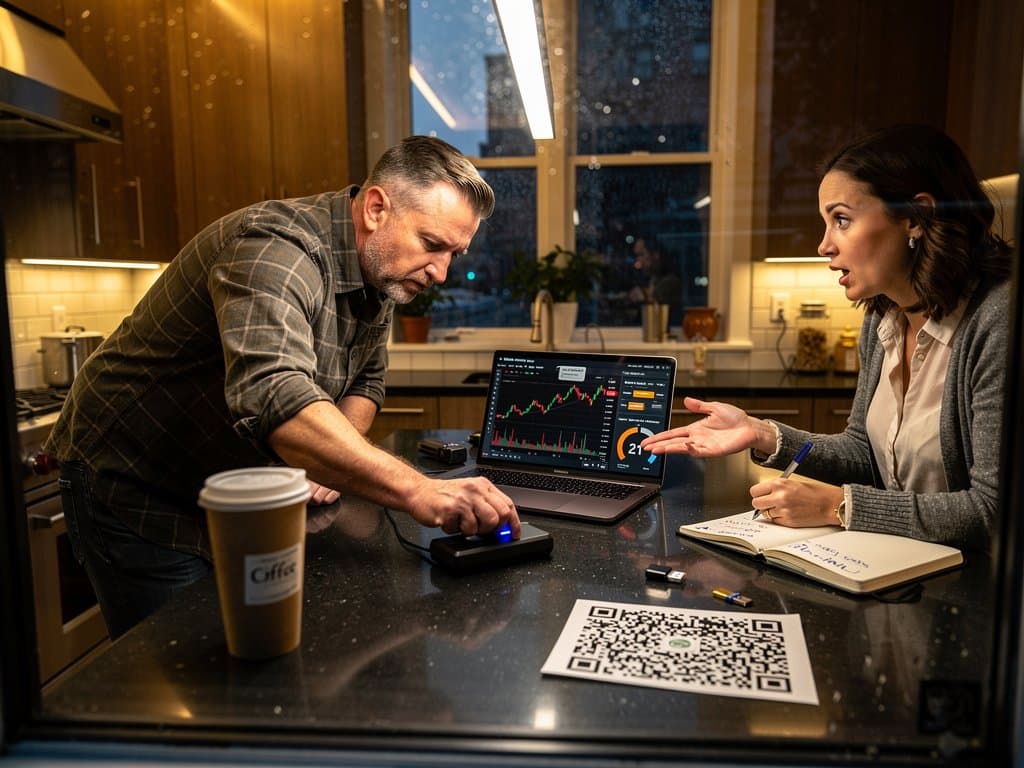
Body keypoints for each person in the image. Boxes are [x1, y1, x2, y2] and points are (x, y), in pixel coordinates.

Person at [46, 135, 521, 638]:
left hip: (233, 485)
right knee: (183, 668)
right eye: (431, 245)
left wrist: (330, 458)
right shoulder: (274, 248)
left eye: (455, 252)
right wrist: (420, 489)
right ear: (377, 209)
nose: (442, 272)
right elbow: (274, 393)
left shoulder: (379, 269)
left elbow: (367, 378)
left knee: (249, 655)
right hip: (139, 483)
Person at [642, 124, 1012, 550]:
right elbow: (863, 455)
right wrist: (762, 434)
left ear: (916, 218)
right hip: (900, 564)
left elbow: (991, 512)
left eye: (842, 220)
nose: (824, 245)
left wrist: (840, 506)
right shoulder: (884, 321)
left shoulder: (997, 320)